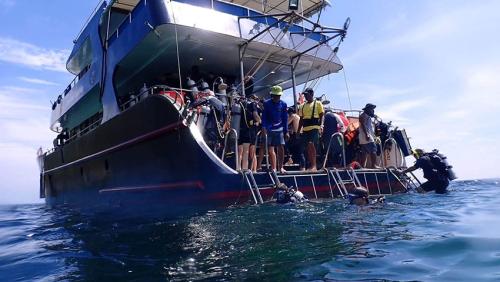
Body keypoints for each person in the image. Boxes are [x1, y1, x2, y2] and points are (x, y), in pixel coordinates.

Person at [261, 85, 288, 172]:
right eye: (275, 95)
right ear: (272, 95)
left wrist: (286, 131)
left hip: (279, 128)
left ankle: (281, 167)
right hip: (269, 128)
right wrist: (263, 127)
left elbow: (285, 118)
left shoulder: (283, 104)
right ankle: (274, 167)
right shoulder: (267, 104)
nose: (277, 97)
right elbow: (264, 117)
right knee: (270, 148)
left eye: (278, 95)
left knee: (281, 147)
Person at [298, 88, 324, 171]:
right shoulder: (302, 106)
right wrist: (298, 130)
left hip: (314, 128)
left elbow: (322, 115)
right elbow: (301, 119)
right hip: (305, 128)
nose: (305, 96)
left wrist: (322, 125)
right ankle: (309, 165)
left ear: (312, 94)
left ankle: (314, 166)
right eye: (304, 95)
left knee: (311, 145)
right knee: (306, 148)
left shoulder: (318, 103)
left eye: (307, 94)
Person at [238, 94, 261, 170]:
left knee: (241, 152)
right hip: (250, 131)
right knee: (250, 152)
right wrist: (262, 123)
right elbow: (255, 115)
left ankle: (239, 168)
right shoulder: (252, 105)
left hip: (240, 130)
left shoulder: (239, 106)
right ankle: (252, 170)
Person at [358, 103, 379, 168]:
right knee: (373, 150)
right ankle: (374, 165)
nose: (373, 111)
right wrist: (367, 134)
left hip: (365, 138)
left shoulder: (367, 116)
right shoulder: (363, 116)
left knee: (364, 152)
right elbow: (363, 125)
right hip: (367, 137)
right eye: (372, 109)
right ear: (368, 109)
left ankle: (362, 166)